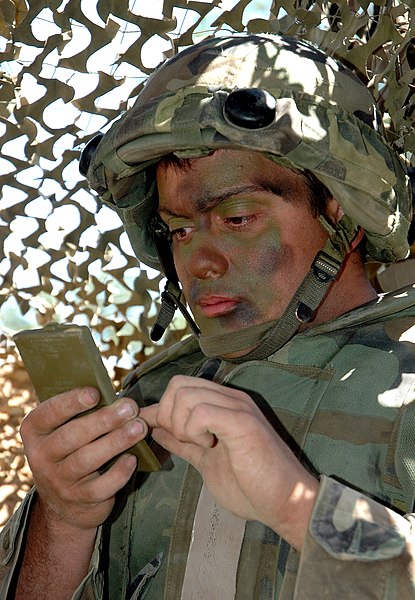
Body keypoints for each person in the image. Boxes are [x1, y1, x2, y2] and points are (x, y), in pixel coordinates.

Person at [1, 33, 414, 600]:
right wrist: (66, 518)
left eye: (237, 217)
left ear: (340, 207)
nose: (201, 262)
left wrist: (299, 507)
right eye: (179, 230)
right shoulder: (151, 397)